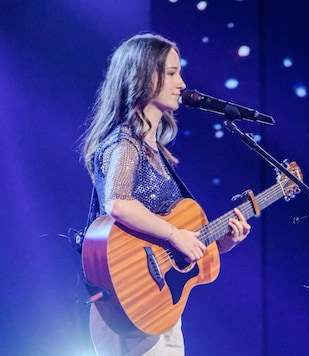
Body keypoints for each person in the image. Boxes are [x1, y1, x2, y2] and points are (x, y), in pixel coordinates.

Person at [80, 33, 251, 355]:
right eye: (171, 73)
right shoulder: (125, 143)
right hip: (128, 296)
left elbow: (163, 240)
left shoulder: (153, 149)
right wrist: (174, 233)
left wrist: (220, 241)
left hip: (157, 301)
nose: (182, 82)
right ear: (142, 75)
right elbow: (117, 203)